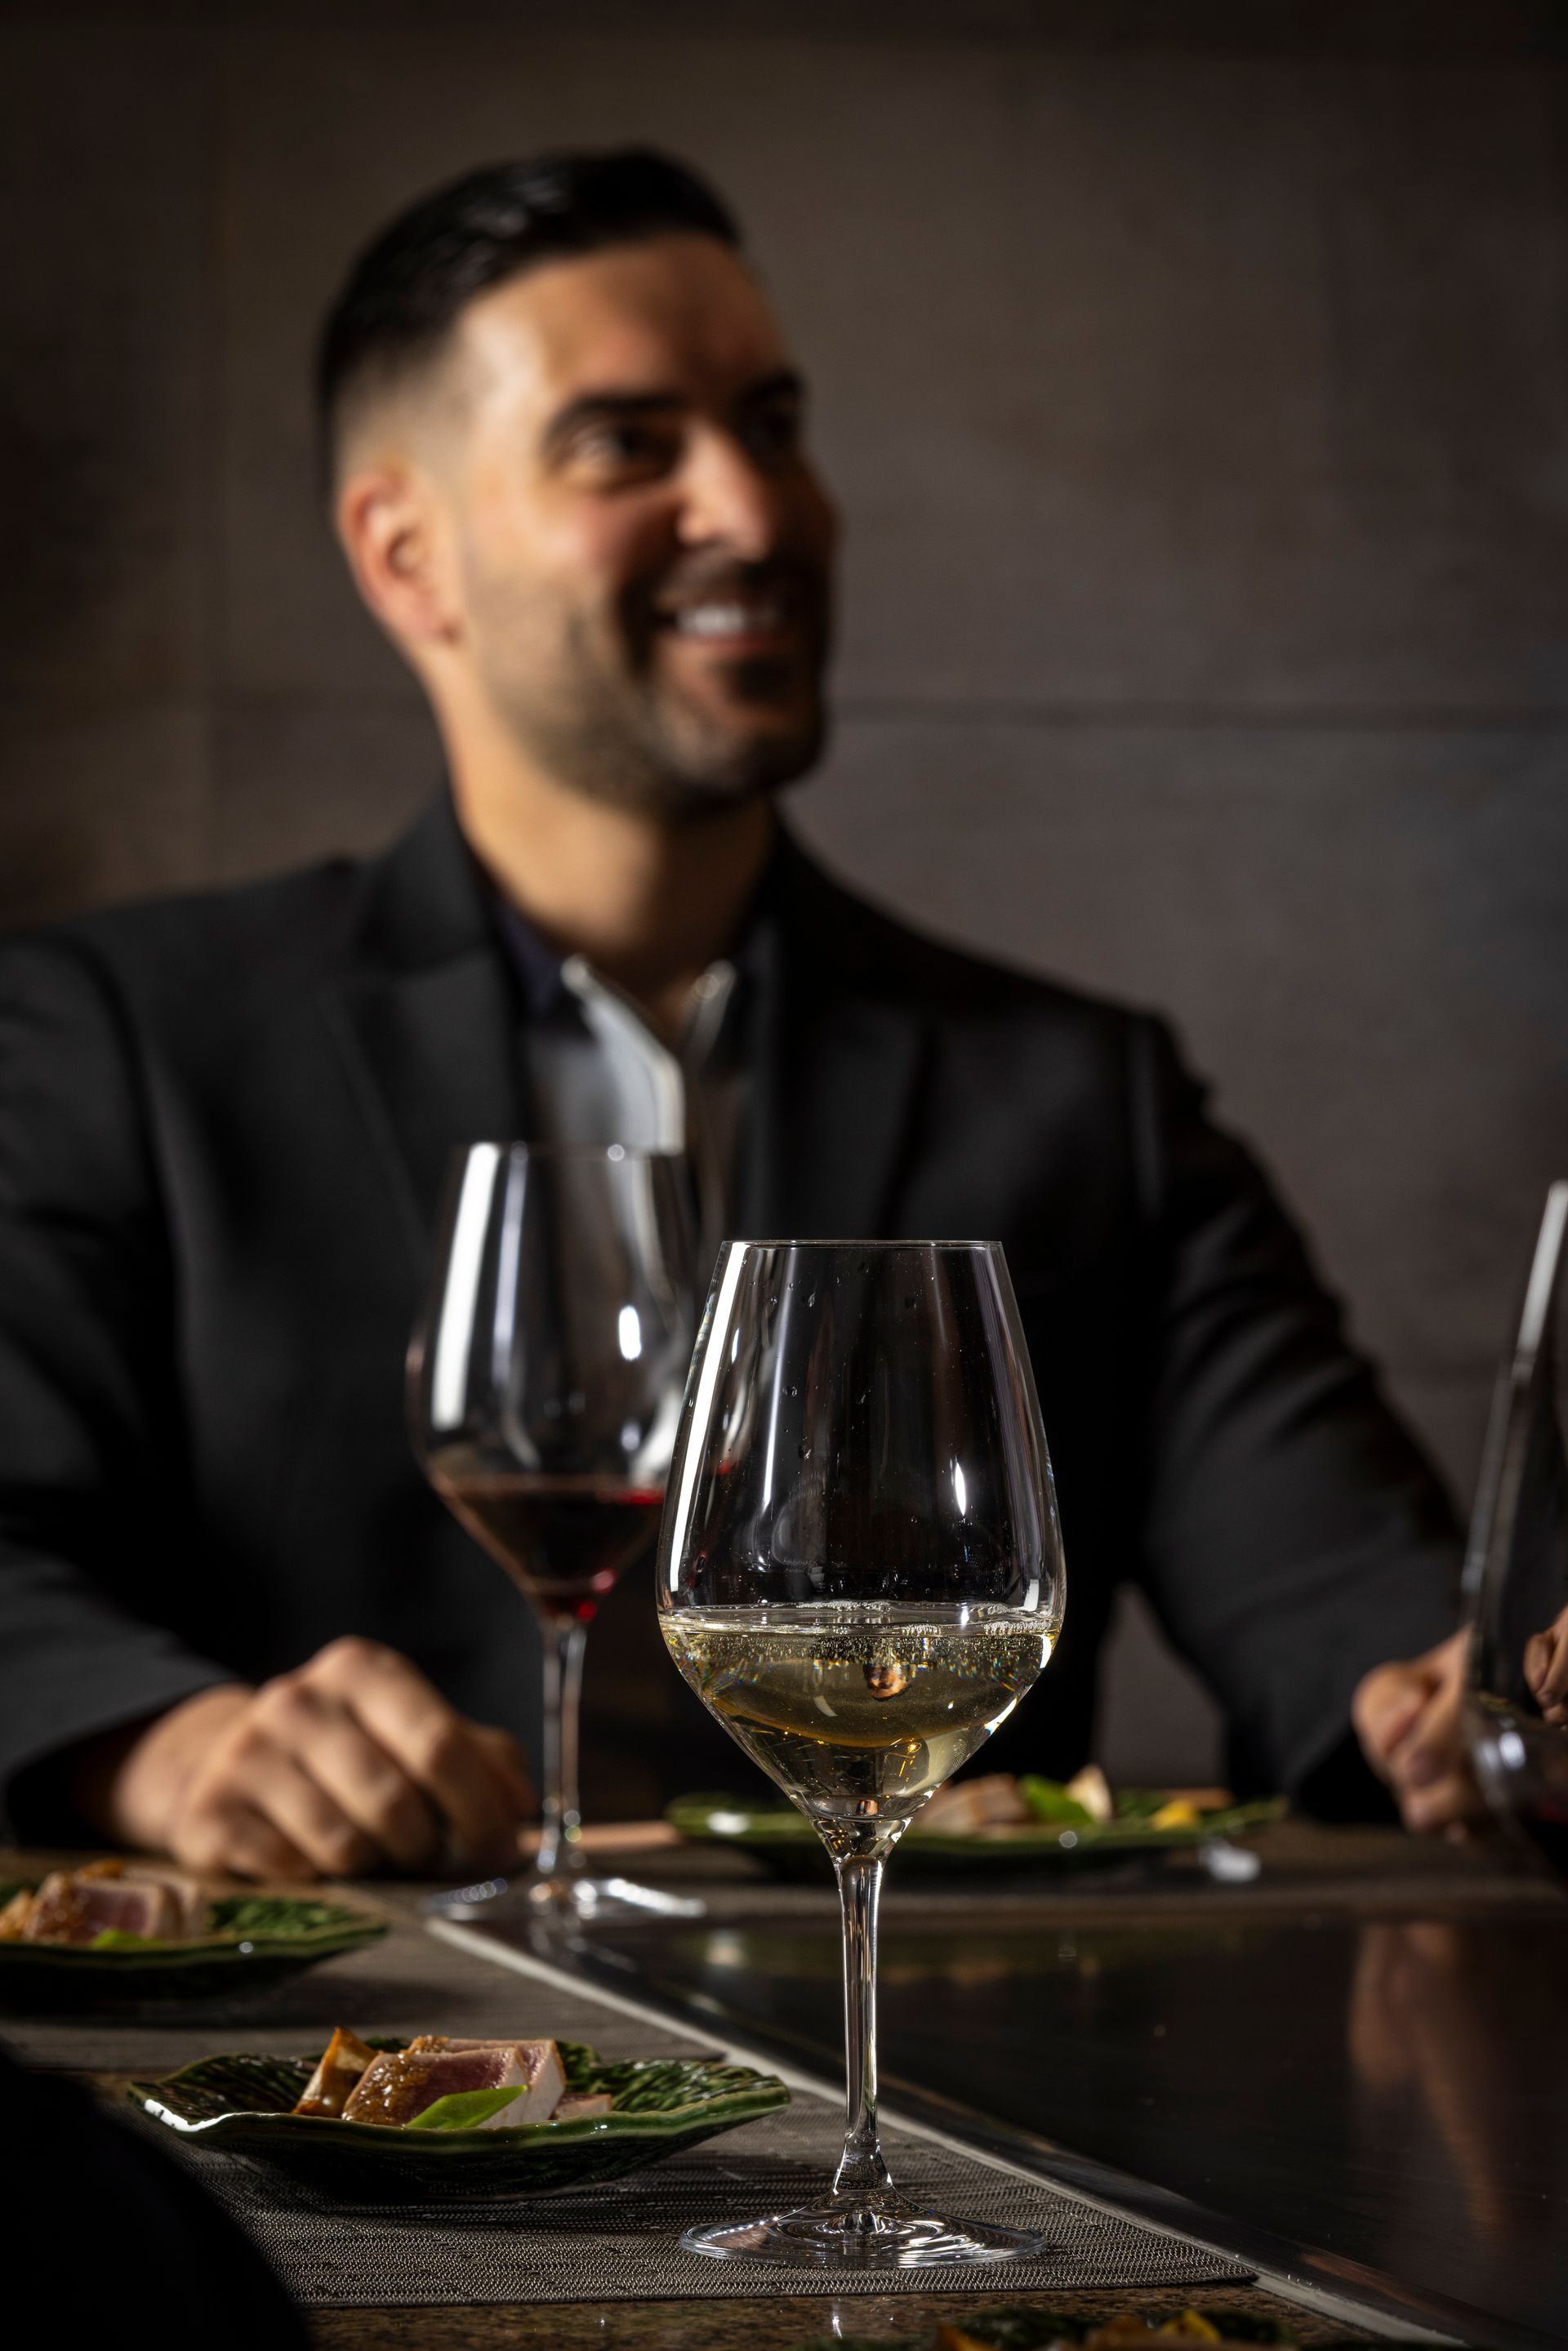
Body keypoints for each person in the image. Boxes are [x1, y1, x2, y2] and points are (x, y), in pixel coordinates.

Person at [0, 149, 1479, 1880]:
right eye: (629, 443)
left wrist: (1456, 1702)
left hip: (924, 2103)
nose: (760, 515)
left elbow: (1347, 1602)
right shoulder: (115, 1038)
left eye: (773, 426)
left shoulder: (1082, 1093)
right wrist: (166, 1748)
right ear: (411, 560)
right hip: (358, 2099)